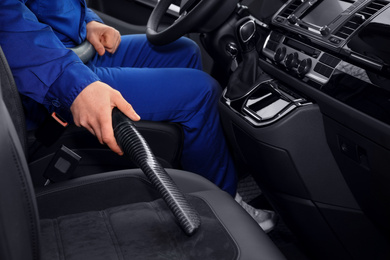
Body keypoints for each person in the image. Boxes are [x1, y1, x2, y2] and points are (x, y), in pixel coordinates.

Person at [0, 0, 275, 232]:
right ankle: (224, 202)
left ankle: (184, 168)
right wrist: (72, 84)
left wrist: (87, 23)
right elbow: (6, 22)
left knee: (184, 50)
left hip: (67, 47)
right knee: (201, 93)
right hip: (43, 75)